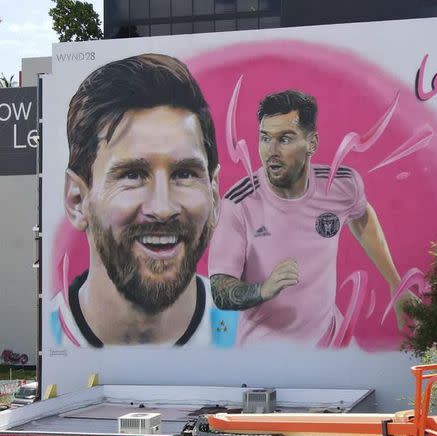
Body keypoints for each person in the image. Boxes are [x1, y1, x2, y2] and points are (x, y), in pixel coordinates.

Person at [54, 53, 234, 348]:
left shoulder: (254, 337)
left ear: (214, 196)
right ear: (77, 200)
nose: (162, 209)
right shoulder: (53, 337)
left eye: (184, 174)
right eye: (132, 175)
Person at [208, 90, 412, 347]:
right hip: (265, 354)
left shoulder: (341, 185)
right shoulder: (238, 203)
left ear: (312, 143)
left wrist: (395, 283)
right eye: (264, 138)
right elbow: (220, 289)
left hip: (332, 345)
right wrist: (262, 290)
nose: (271, 151)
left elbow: (361, 218)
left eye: (285, 139)